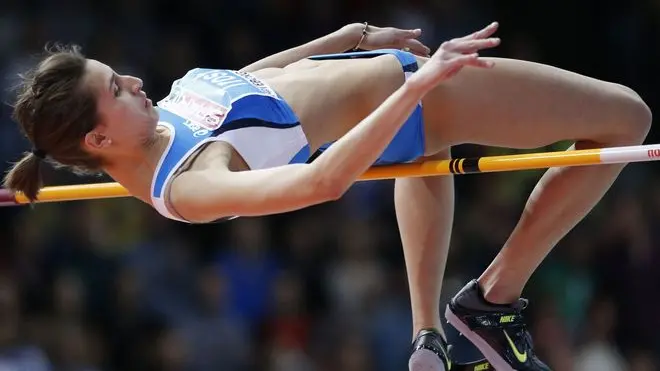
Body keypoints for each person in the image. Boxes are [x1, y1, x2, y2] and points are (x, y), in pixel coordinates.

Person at [2, 20, 652, 371]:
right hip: (421, 102)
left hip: (393, 94)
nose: (136, 81)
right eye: (117, 88)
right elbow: (323, 182)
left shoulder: (153, 127)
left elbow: (243, 84)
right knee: (627, 119)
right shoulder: (190, 181)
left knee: (422, 165)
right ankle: (492, 299)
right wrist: (417, 89)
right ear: (97, 136)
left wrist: (348, 40)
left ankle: (431, 335)